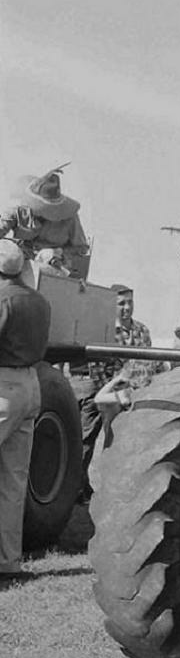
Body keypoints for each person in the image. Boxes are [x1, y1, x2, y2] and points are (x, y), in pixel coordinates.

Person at [0, 240, 51, 578]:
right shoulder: (40, 301)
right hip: (31, 384)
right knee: (13, 481)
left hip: (3, 385)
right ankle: (8, 562)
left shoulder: (3, 298)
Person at [80, 283, 158, 499]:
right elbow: (96, 369)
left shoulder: (142, 330)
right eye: (121, 303)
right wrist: (111, 394)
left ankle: (123, 488)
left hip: (136, 396)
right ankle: (80, 486)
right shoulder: (104, 331)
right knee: (88, 440)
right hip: (108, 394)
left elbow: (149, 363)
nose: (127, 308)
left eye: (130, 302)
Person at [0, 164, 90, 282]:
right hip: (19, 267)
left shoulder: (69, 218)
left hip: (53, 272)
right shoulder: (23, 211)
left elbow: (81, 248)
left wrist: (59, 252)